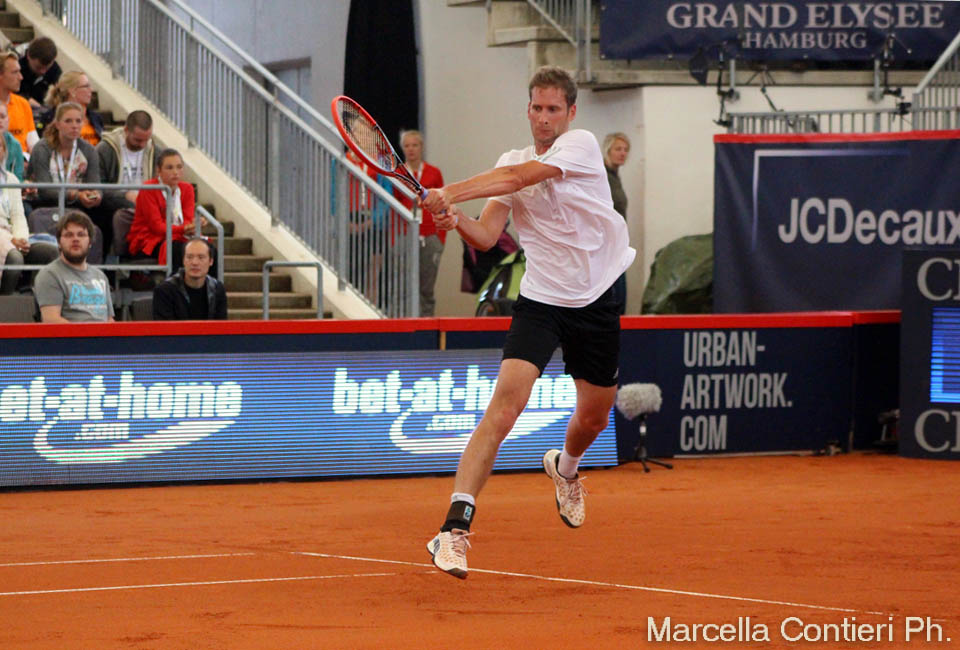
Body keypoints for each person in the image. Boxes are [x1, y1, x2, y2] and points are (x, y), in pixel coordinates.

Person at [420, 66, 635, 579]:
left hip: (597, 299)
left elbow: (518, 180)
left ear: (571, 112)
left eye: (553, 109)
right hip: (540, 301)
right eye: (536, 108)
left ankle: (566, 468)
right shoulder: (510, 161)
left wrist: (448, 192)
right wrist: (455, 219)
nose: (543, 118)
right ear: (528, 110)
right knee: (504, 408)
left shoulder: (580, 145)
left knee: (594, 418)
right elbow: (486, 236)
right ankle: (453, 529)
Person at [127, 148, 206, 275]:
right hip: (149, 240)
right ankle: (178, 285)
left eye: (179, 167)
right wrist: (184, 229)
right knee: (182, 250)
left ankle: (210, 286)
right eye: (169, 168)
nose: (175, 172)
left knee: (208, 250)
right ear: (158, 170)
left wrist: (193, 226)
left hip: (177, 237)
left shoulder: (187, 189)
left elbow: (186, 219)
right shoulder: (148, 188)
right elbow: (157, 227)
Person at [395, 129, 445, 316]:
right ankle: (403, 324)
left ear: (421, 147)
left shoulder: (434, 173)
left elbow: (443, 204)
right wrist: (394, 238)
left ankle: (426, 325)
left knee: (426, 287)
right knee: (402, 285)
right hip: (404, 234)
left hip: (430, 235)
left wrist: (440, 238)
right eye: (407, 146)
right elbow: (393, 204)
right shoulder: (398, 173)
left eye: (414, 145)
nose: (411, 149)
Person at [0, 135, 57, 294]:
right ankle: (6, 302)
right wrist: (11, 241)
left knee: (50, 252)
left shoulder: (11, 179)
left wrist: (22, 239)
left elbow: (18, 216)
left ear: (4, 151)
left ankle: (41, 302)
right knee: (15, 258)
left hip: (12, 237)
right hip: (5, 238)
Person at [34, 210, 114, 322]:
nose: (75, 239)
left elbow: (110, 320)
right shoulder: (49, 275)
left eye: (81, 234)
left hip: (103, 333)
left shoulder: (100, 276)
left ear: (90, 242)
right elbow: (51, 320)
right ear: (59, 242)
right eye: (68, 235)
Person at [26, 102, 102, 215]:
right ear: (57, 125)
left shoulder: (89, 150)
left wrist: (96, 195)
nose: (74, 126)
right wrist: (75, 195)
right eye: (68, 121)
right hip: (45, 206)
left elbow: (95, 184)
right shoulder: (42, 149)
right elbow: (45, 190)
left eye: (78, 121)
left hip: (78, 207)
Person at [96, 110, 156, 251]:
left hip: (145, 206)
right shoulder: (105, 149)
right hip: (113, 204)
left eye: (146, 140)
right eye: (138, 140)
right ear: (126, 130)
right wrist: (125, 195)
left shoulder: (154, 152)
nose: (142, 145)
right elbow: (97, 186)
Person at [152, 237, 227, 320]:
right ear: (183, 260)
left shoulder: (217, 289)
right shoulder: (164, 291)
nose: (195, 262)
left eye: (201, 257)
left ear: (211, 261)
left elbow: (221, 325)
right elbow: (165, 326)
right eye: (189, 257)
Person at [602, 132, 631, 315]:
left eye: (626, 150)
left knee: (619, 296)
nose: (622, 153)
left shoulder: (615, 177)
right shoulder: (602, 175)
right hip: (607, 245)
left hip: (617, 243)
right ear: (607, 151)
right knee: (616, 296)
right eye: (618, 149)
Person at [42, 70, 103, 147]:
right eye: (86, 86)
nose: (91, 90)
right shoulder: (51, 117)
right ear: (72, 91)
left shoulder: (95, 117)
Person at [0, 52, 38, 153]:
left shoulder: (23, 104)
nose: (21, 77)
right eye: (14, 72)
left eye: (19, 72)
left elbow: (34, 144)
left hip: (23, 159)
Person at [17, 37, 61, 110]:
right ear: (28, 56)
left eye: (47, 68)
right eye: (38, 67)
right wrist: (26, 99)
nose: (43, 72)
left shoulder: (55, 71)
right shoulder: (17, 67)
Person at [0, 103, 25, 181]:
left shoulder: (16, 145)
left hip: (10, 186)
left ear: (8, 120)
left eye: (2, 117)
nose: (0, 120)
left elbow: (19, 178)